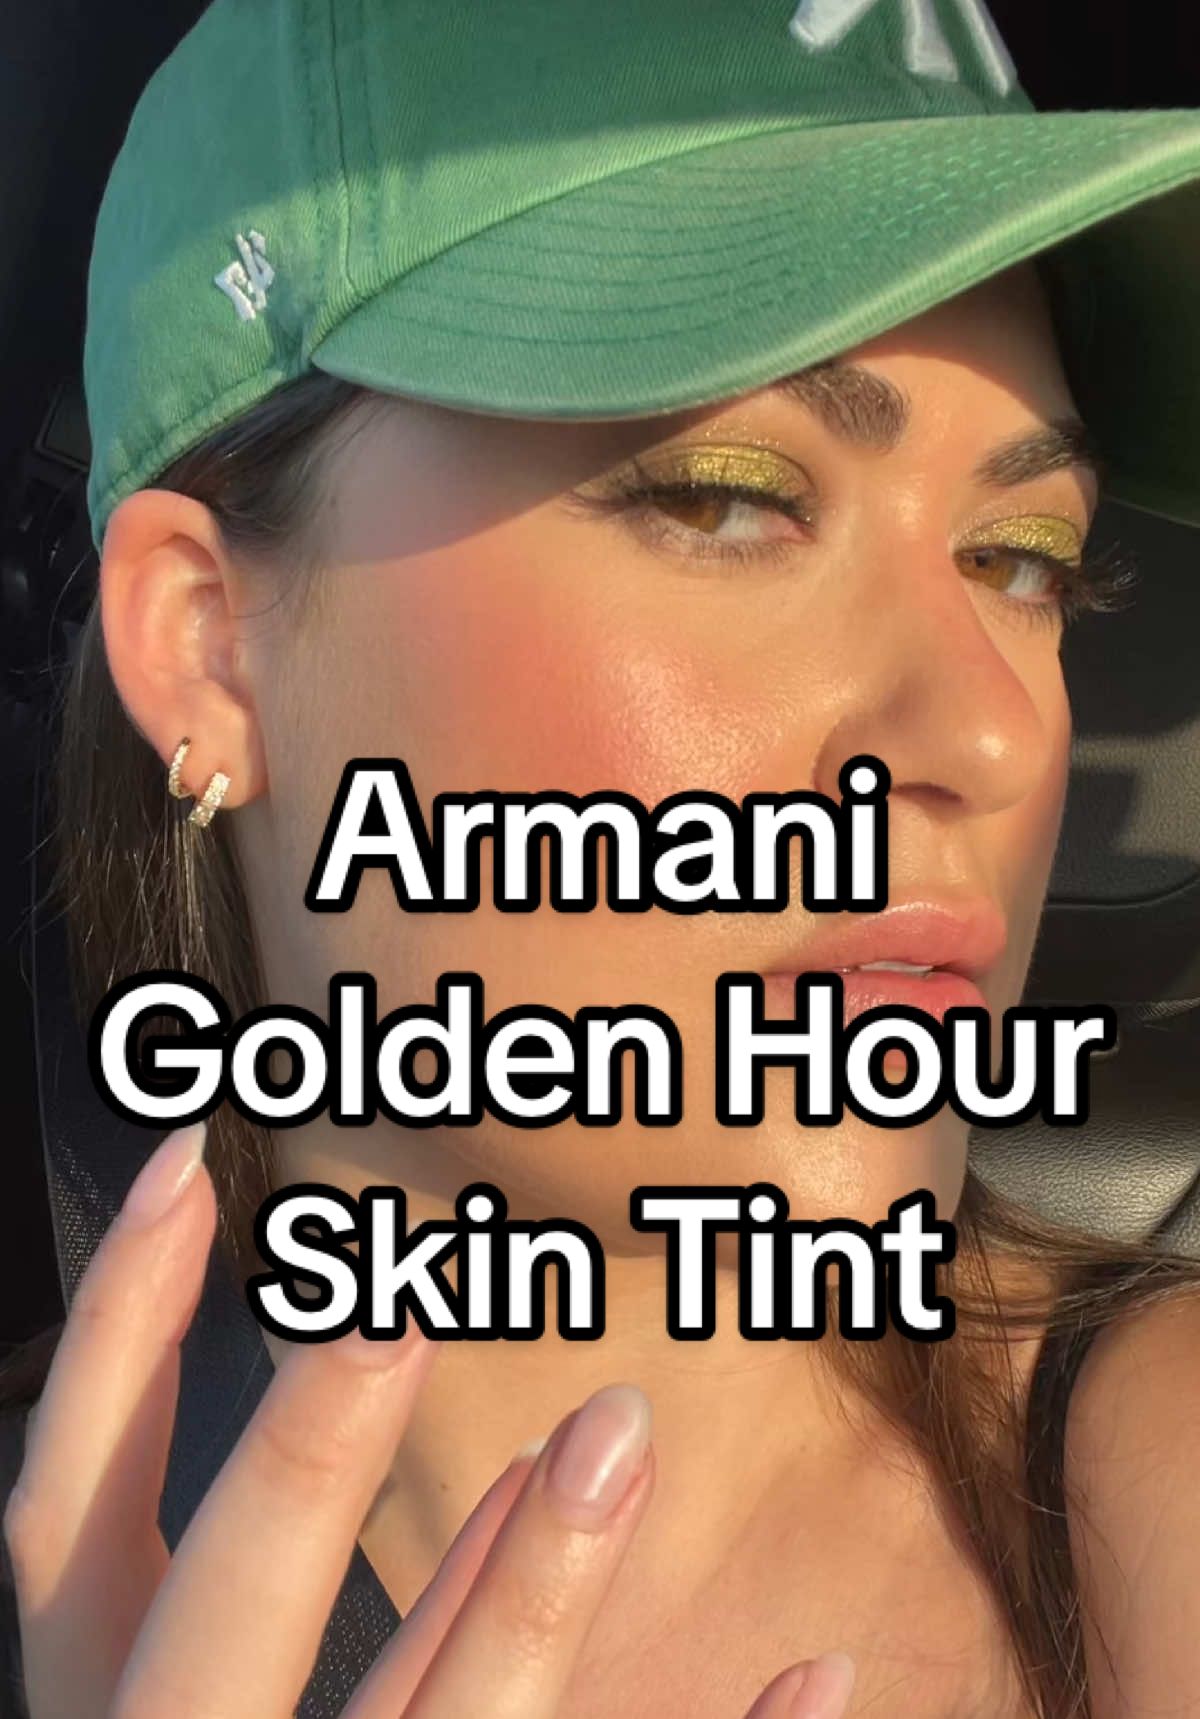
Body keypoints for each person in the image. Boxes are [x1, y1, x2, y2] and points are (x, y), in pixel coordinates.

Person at [3, 0, 1200, 1714]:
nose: (998, 740)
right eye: (726, 498)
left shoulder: (1154, 1481)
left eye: (1023, 558)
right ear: (206, 646)